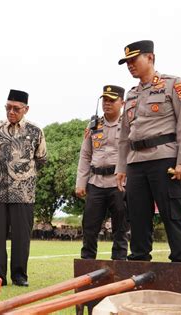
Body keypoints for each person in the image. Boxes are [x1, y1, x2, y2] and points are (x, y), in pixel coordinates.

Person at [115, 40, 181, 293]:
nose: (129, 66)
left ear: (150, 57)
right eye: (126, 62)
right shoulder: (131, 94)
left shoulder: (174, 84)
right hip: (136, 163)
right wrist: (121, 167)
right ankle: (139, 275)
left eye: (133, 60)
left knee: (173, 217)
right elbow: (124, 135)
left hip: (165, 160)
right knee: (137, 219)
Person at [0, 89, 47, 287]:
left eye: (16, 108)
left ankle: (19, 276)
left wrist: (25, 177)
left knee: (21, 238)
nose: (11, 112)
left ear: (26, 109)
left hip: (24, 194)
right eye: (8, 107)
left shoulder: (35, 131)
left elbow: (41, 159)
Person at [76, 85, 128, 261]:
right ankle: (87, 265)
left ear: (122, 102)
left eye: (112, 100)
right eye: (105, 100)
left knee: (120, 228)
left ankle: (119, 265)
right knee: (89, 227)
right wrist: (80, 183)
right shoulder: (93, 125)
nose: (107, 103)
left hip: (119, 183)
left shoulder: (129, 124)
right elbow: (85, 155)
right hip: (96, 182)